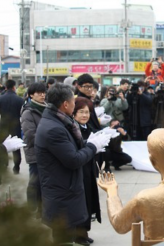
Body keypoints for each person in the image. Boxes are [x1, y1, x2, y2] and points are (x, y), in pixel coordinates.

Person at [35, 83, 111, 244]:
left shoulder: (58, 120)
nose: (75, 105)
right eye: (74, 102)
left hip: (63, 188)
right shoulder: (54, 128)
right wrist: (92, 146)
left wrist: (86, 143)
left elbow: (68, 148)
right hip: (62, 191)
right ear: (65, 104)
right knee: (63, 238)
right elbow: (73, 160)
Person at [72, 97, 104, 245]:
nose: (85, 115)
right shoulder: (72, 129)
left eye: (87, 112)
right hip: (79, 169)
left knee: (89, 200)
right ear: (74, 113)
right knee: (81, 202)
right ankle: (79, 234)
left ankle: (84, 232)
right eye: (81, 112)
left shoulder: (88, 128)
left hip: (89, 168)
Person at [20, 82, 47, 214]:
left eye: (43, 92)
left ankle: (42, 209)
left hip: (47, 151)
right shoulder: (28, 112)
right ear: (31, 95)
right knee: (35, 181)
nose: (42, 95)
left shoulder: (48, 108)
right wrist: (50, 139)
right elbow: (30, 134)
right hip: (35, 151)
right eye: (39, 93)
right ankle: (32, 208)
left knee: (45, 182)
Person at [0, 79, 24, 174]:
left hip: (3, 127)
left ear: (6, 87)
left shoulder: (0, 99)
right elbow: (22, 115)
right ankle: (16, 168)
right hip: (16, 126)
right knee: (16, 148)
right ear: (14, 87)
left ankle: (4, 165)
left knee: (3, 147)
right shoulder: (20, 100)